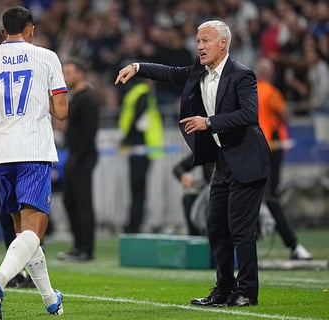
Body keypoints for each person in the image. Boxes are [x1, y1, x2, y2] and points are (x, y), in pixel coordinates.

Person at [115, 20, 271, 307]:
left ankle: (247, 291)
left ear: (223, 43)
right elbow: (171, 73)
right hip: (224, 160)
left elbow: (250, 115)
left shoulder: (242, 74)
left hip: (248, 160)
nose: (199, 46)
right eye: (198, 41)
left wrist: (208, 122)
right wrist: (137, 67)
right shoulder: (200, 71)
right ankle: (224, 288)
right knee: (215, 226)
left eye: (206, 41)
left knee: (240, 228)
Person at [0, 6, 68, 319]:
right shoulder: (47, 57)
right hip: (34, 149)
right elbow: (61, 110)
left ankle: (50, 298)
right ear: (32, 30)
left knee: (21, 235)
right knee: (33, 232)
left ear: (3, 32)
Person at [255, 58, 312, 260]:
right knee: (270, 198)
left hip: (250, 149)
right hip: (269, 149)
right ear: (269, 75)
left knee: (255, 198)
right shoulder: (271, 92)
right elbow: (285, 115)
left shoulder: (249, 91)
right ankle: (294, 245)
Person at [56, 58, 99, 261]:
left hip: (82, 157)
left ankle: (86, 249)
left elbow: (89, 133)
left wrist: (77, 158)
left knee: (82, 203)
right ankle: (77, 246)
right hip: (74, 155)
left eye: (69, 73)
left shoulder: (87, 98)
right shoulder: (76, 98)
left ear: (80, 74)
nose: (65, 77)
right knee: (70, 201)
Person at [118, 77, 164, 234]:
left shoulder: (133, 93)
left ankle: (134, 223)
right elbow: (137, 119)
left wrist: (125, 140)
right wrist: (126, 140)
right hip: (142, 145)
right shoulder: (144, 93)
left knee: (136, 188)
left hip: (138, 146)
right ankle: (135, 224)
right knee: (139, 189)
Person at [172, 154, 215, 236]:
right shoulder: (206, 150)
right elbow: (178, 168)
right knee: (188, 199)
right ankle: (195, 240)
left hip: (228, 194)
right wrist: (183, 176)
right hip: (208, 195)